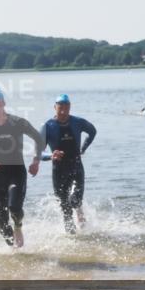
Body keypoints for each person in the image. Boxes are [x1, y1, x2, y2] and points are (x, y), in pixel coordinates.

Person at [0, 87, 44, 248]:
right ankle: (15, 255)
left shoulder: (18, 123)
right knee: (3, 224)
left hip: (16, 171)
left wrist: (35, 160)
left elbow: (38, 139)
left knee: (14, 207)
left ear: (4, 103)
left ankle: (18, 226)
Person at [36, 94, 96, 234]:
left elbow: (92, 131)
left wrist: (83, 148)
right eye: (60, 108)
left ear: (70, 107)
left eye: (66, 108)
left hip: (76, 166)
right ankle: (72, 236)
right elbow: (38, 152)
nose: (63, 111)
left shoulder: (78, 122)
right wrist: (51, 156)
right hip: (59, 170)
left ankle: (79, 210)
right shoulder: (47, 126)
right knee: (65, 207)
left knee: (75, 199)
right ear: (54, 107)